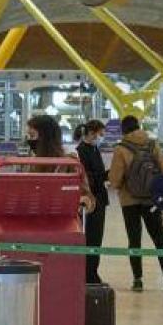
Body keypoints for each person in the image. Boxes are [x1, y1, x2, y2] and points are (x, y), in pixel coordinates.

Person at [109, 115, 163, 293]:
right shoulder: (153, 144)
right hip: (152, 200)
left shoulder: (120, 149)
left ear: (123, 130)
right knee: (160, 237)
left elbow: (114, 180)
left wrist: (121, 185)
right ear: (139, 126)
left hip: (129, 201)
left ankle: (137, 280)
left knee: (134, 240)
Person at [26, 114, 97, 212]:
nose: (29, 140)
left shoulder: (69, 163)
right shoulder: (31, 163)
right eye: (28, 136)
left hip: (62, 221)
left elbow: (88, 199)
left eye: (32, 135)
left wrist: (80, 201)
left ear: (46, 138)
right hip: (34, 220)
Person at [74, 120, 110, 284]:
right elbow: (87, 178)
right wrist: (103, 177)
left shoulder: (94, 149)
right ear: (91, 133)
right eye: (100, 134)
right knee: (91, 238)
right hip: (91, 201)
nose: (101, 137)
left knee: (97, 238)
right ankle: (88, 274)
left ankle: (92, 272)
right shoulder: (81, 151)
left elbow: (98, 174)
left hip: (100, 199)